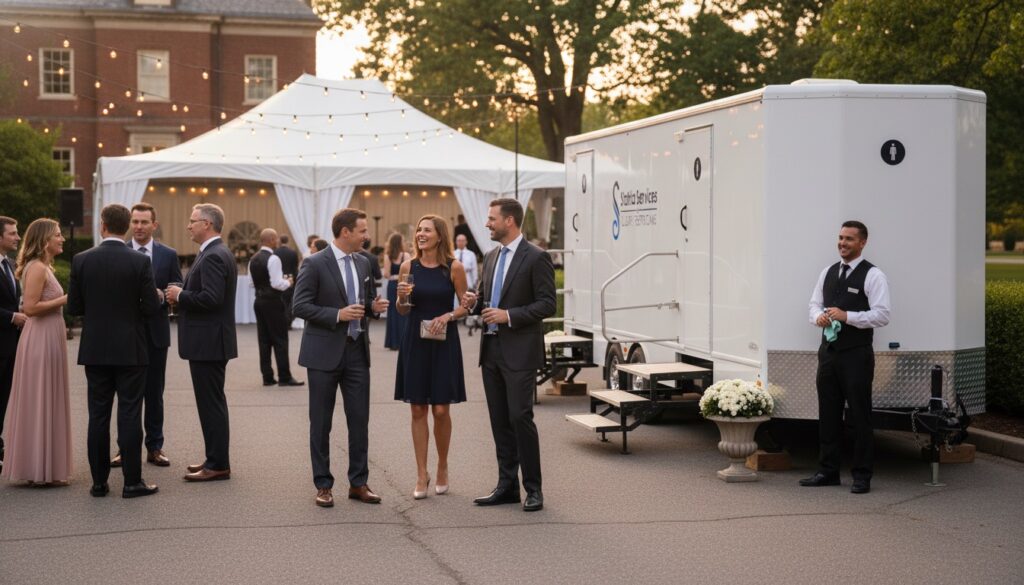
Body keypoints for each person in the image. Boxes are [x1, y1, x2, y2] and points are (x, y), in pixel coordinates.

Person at [462, 198, 555, 512]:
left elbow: (547, 304)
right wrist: (473, 300)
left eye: (491, 218)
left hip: (520, 352)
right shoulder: (490, 256)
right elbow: (486, 299)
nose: (487, 223)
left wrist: (509, 315)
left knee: (520, 417)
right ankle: (506, 486)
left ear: (510, 221)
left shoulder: (537, 257)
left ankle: (534, 489)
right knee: (499, 420)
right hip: (491, 351)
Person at [292, 208, 389, 508]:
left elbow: (364, 303)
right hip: (322, 354)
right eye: (362, 230)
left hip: (358, 352)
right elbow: (300, 306)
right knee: (321, 423)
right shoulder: (314, 263)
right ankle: (323, 484)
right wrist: (337, 314)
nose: (367, 235)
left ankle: (358, 483)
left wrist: (375, 307)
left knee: (359, 421)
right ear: (345, 232)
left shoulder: (364, 263)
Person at [68, 204, 161, 498]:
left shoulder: (81, 259)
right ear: (125, 227)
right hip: (131, 348)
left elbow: (74, 308)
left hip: (95, 347)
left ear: (102, 225)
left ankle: (98, 482)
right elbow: (152, 307)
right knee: (130, 413)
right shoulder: (139, 261)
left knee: (97, 415)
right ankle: (132, 482)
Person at [802, 220, 890, 495]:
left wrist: (847, 316)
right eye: (840, 238)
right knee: (827, 413)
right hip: (828, 354)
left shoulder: (874, 275)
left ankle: (862, 475)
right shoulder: (827, 272)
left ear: (862, 243)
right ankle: (827, 471)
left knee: (860, 416)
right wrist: (818, 316)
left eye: (849, 239)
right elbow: (814, 303)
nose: (842, 243)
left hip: (856, 355)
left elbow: (883, 314)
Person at [394, 216, 469, 499]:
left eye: (427, 230)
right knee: (417, 409)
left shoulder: (454, 267)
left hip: (443, 342)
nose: (421, 234)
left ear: (440, 235)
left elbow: (466, 306)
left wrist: (448, 316)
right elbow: (403, 310)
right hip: (415, 339)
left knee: (440, 410)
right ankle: (421, 473)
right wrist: (401, 298)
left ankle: (442, 467)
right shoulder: (407, 267)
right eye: (418, 230)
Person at [166, 203, 238, 482]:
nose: (189, 225)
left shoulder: (214, 256)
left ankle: (218, 463)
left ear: (207, 224)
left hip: (208, 342)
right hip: (210, 341)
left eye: (193, 220)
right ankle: (214, 458)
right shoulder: (215, 253)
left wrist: (180, 295)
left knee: (211, 404)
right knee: (211, 402)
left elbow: (211, 298)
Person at [110, 203, 182, 469]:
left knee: (154, 393)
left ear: (155, 224)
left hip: (155, 334)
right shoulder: (119, 251)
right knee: (126, 395)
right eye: (135, 222)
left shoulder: (168, 254)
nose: (138, 227)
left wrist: (165, 294)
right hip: (125, 335)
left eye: (144, 222)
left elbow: (177, 284)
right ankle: (124, 449)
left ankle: (155, 447)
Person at [0, 219, 72, 485]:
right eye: (57, 235)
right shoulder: (37, 268)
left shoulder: (43, 266)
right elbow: (30, 308)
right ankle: (38, 468)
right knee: (41, 396)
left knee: (47, 395)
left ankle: (45, 465)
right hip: (40, 336)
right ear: (44, 240)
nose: (62, 239)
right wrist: (66, 298)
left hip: (49, 334)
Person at [250, 228, 302, 387]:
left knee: (263, 339)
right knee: (280, 339)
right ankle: (284, 377)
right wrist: (289, 282)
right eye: (276, 238)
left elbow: (251, 283)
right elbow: (276, 283)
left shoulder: (253, 258)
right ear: (272, 239)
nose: (277, 241)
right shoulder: (273, 259)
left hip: (258, 301)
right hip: (273, 302)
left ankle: (267, 377)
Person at [0, 216, 26, 471]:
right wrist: (11, 317)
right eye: (12, 233)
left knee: (3, 400)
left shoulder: (8, 264)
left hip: (10, 347)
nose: (17, 237)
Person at [382, 233, 412, 350]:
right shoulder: (406, 255)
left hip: (393, 285)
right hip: (404, 285)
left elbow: (386, 274)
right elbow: (409, 274)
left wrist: (395, 277)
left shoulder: (388, 256)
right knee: (404, 311)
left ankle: (393, 342)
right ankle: (404, 341)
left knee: (393, 312)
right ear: (400, 242)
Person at [274, 234, 299, 326]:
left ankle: (281, 320)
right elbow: (295, 267)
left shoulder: (276, 252)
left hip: (280, 278)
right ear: (287, 241)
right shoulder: (293, 252)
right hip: (291, 278)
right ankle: (288, 321)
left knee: (281, 300)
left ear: (280, 241)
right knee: (289, 301)